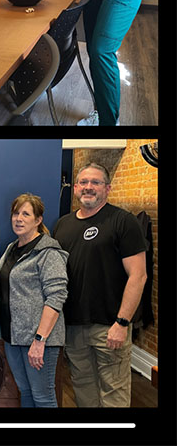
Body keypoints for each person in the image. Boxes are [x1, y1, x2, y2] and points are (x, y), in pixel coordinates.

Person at [52, 162, 147, 407]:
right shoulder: (63, 225)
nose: (89, 187)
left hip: (110, 326)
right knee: (84, 394)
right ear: (75, 188)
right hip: (73, 327)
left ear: (108, 188)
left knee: (113, 396)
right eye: (83, 182)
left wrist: (122, 322)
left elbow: (138, 275)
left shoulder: (123, 221)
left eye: (95, 182)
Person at [0, 193, 68, 407]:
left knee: (43, 397)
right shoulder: (12, 248)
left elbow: (56, 296)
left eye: (25, 214)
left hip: (38, 340)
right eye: (16, 213)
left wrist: (40, 340)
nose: (18, 218)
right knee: (25, 392)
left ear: (38, 220)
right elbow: (13, 285)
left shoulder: (48, 252)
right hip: (13, 336)